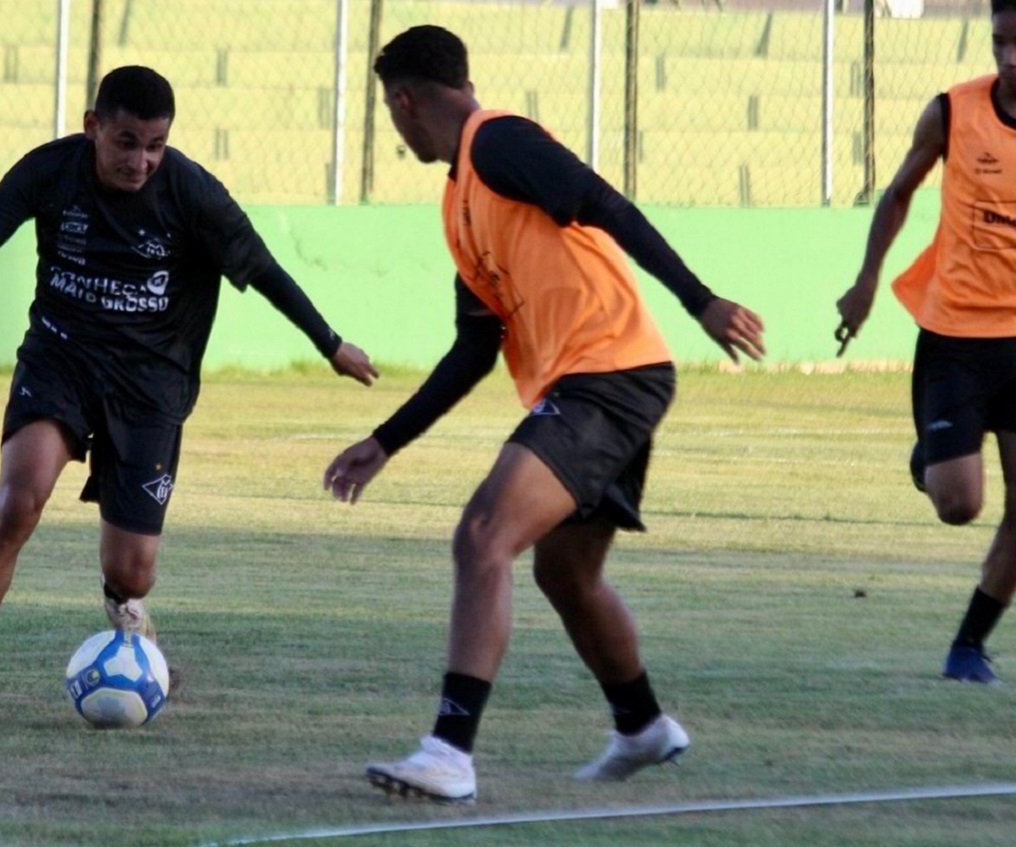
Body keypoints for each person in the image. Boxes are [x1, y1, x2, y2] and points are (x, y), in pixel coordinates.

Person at [323, 25, 765, 803]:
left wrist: (700, 299)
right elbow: (474, 347)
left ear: (401, 101)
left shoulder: (498, 143)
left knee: (484, 535)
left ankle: (449, 752)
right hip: (600, 377)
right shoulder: (460, 199)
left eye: (390, 114)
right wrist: (385, 440)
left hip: (609, 373)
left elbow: (600, 200)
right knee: (567, 571)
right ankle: (643, 725)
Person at [0, 65, 378, 720]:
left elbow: (264, 269)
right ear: (92, 128)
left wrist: (328, 343)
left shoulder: (192, 193)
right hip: (61, 359)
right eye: (126, 141)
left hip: (151, 384)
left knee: (133, 569)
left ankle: (126, 604)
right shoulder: (51, 172)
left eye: (155, 145)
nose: (141, 160)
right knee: (17, 501)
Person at [836, 0, 1016, 686]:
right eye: (1000, 41)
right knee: (958, 504)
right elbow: (901, 189)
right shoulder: (952, 111)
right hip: (956, 335)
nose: (1010, 58)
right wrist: (866, 280)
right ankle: (934, 455)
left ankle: (968, 645)